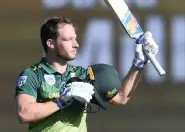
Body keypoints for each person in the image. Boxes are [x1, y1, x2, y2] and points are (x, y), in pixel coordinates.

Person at [14, 16, 158, 131]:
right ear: (50, 43)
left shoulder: (83, 75)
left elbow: (121, 97)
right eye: (69, 39)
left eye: (75, 38)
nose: (76, 44)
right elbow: (24, 113)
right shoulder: (33, 75)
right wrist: (62, 100)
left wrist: (138, 64)